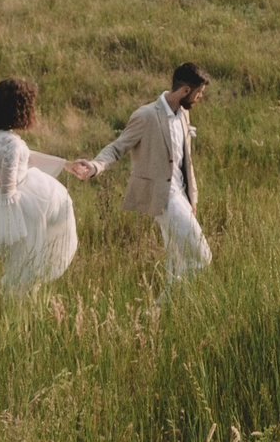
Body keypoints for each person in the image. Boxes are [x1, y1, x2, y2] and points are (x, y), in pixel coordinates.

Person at [86, 62, 212, 284]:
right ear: (185, 91)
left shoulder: (183, 115)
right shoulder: (146, 116)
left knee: (177, 263)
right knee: (203, 257)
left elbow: (186, 160)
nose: (199, 99)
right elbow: (118, 147)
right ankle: (183, 300)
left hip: (181, 196)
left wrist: (192, 196)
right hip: (163, 198)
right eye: (198, 94)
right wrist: (96, 166)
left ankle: (163, 310)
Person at [0, 77, 87, 294]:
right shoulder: (12, 143)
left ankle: (21, 297)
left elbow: (23, 159)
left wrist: (64, 164)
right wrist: (12, 228)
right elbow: (9, 190)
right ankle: (21, 306)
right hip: (20, 206)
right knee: (27, 261)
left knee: (21, 262)